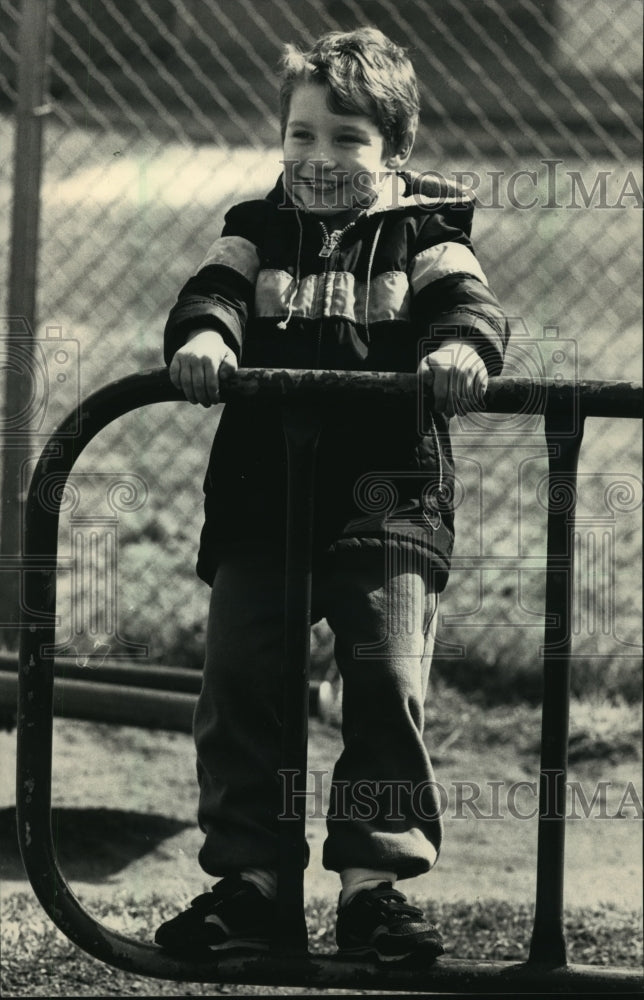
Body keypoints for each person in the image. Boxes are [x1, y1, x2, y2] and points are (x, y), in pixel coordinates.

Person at [155, 27, 508, 964]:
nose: (319, 158)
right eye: (301, 136)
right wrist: (206, 337)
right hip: (261, 495)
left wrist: (459, 349)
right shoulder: (258, 224)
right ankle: (252, 882)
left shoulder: (426, 231)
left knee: (387, 678)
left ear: (394, 151)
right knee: (241, 681)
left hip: (386, 501)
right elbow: (212, 291)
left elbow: (470, 305)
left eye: (346, 138)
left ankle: (373, 888)